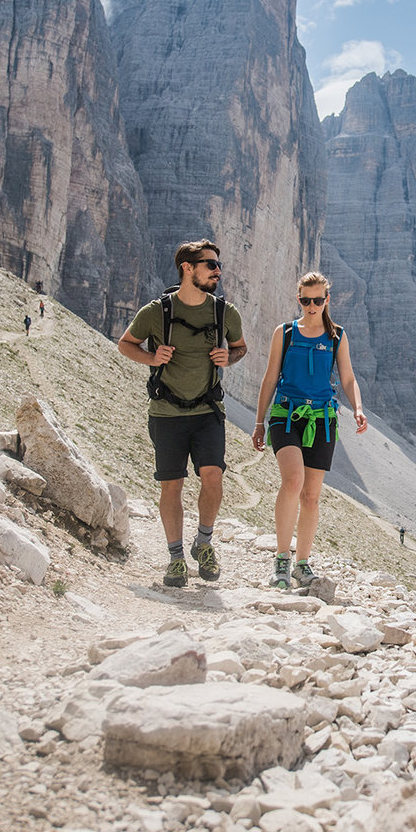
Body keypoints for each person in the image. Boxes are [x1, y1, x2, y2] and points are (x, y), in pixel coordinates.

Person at [118, 240, 247, 587]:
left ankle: (203, 543)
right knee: (171, 484)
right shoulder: (155, 312)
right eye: (210, 265)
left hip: (208, 410)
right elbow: (125, 344)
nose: (217, 271)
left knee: (213, 476)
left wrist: (227, 358)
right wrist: (151, 358)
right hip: (166, 411)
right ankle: (176, 558)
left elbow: (240, 348)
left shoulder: (225, 313)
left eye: (219, 265)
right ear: (187, 268)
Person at [252, 271, 367, 589]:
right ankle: (281, 560)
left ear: (327, 300)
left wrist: (357, 407)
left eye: (318, 300)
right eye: (306, 300)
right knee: (293, 480)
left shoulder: (337, 336)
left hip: (323, 420)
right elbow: (270, 377)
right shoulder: (285, 332)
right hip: (286, 415)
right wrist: (259, 422)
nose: (312, 305)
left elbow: (347, 378)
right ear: (298, 300)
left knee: (312, 497)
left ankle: (302, 564)